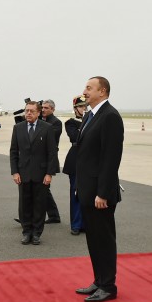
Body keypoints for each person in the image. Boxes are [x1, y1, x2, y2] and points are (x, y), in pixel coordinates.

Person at [75, 76, 123, 302]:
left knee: (103, 239)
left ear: (102, 91)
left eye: (88, 87)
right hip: (87, 190)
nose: (84, 91)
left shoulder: (110, 117)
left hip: (100, 194)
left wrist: (103, 192)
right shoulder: (90, 115)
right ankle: (99, 280)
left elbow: (110, 159)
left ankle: (108, 286)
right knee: (93, 239)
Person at [10, 101, 57, 245]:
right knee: (24, 205)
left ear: (38, 113)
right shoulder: (18, 128)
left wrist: (49, 173)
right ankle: (26, 232)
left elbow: (52, 153)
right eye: (26, 111)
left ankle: (36, 233)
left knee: (39, 205)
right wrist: (15, 172)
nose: (28, 113)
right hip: (23, 174)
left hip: (41, 174)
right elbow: (13, 152)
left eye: (31, 111)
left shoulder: (47, 128)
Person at [62, 95, 87, 235]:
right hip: (76, 159)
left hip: (88, 161)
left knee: (88, 193)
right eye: (81, 106)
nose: (84, 108)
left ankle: (86, 223)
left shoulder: (91, 120)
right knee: (75, 193)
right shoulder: (70, 122)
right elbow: (75, 137)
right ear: (75, 109)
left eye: (85, 106)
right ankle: (76, 224)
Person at [40, 99, 62, 224]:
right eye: (42, 107)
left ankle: (52, 216)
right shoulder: (40, 121)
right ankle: (54, 216)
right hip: (38, 159)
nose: (43, 110)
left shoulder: (56, 123)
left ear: (53, 109)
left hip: (49, 160)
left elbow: (46, 139)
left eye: (46, 108)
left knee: (43, 189)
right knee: (42, 189)